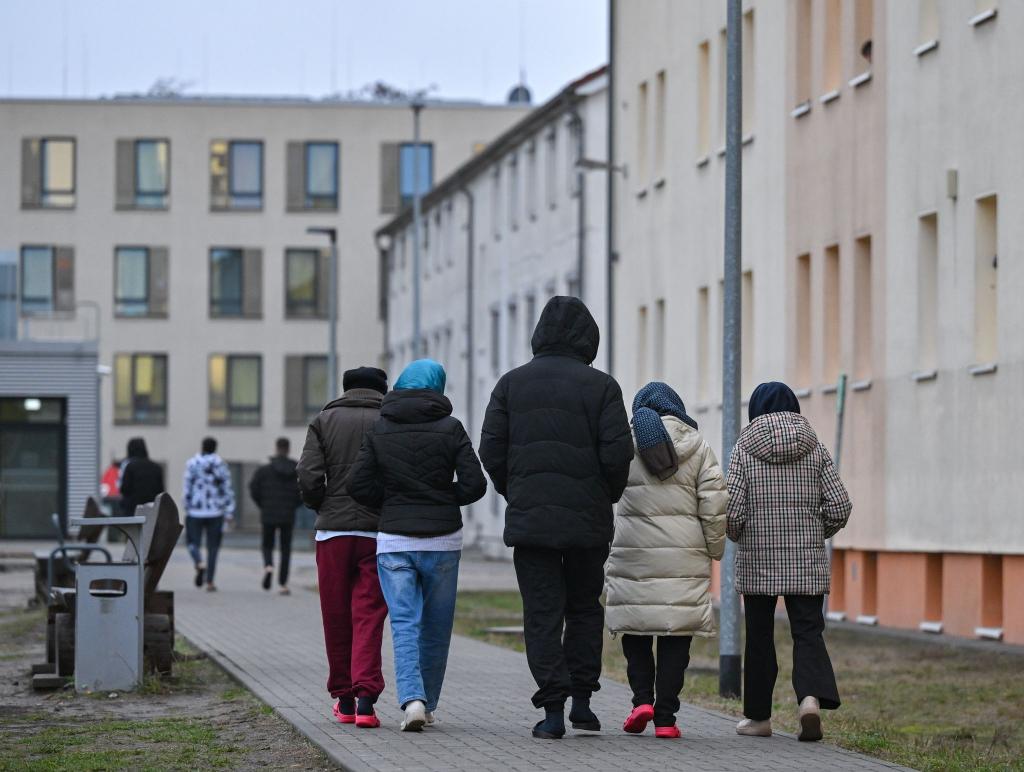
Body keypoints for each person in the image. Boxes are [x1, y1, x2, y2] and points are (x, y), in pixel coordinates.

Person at [479, 296, 633, 740]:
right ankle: (583, 701)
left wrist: (519, 492)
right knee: (584, 608)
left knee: (542, 613)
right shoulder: (602, 387)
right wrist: (604, 495)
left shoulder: (510, 385)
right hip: (587, 522)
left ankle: (552, 711)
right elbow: (618, 453)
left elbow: (491, 450)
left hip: (532, 524)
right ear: (589, 338)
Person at [349, 359, 486, 732]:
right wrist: (443, 496)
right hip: (443, 540)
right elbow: (475, 485)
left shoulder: (380, 428)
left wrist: (392, 502)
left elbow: (357, 485)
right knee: (436, 627)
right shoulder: (451, 428)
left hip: (394, 539)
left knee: (404, 624)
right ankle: (428, 701)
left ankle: (413, 700)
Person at [726, 381, 852, 742]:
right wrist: (817, 532)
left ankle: (758, 718)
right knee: (807, 632)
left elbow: (731, 511)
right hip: (806, 558)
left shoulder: (743, 448)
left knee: (760, 636)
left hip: (759, 560)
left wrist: (741, 536)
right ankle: (809, 699)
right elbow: (840, 505)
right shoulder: (815, 447)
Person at [605, 383, 727, 739]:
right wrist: (714, 550)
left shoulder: (626, 444)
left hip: (633, 553)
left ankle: (641, 700)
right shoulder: (698, 446)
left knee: (636, 626)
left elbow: (605, 490)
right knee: (677, 635)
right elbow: (715, 503)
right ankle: (666, 718)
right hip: (684, 556)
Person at [297, 366, 391, 729]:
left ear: (346, 388)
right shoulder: (389, 419)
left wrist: (321, 504)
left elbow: (307, 474)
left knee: (336, 616)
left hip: (333, 533)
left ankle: (345, 701)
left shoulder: (323, 420)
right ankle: (367, 701)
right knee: (368, 616)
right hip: (377, 533)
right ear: (383, 389)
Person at [250, 437, 302, 595]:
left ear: (276, 448)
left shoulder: (264, 470)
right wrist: (294, 505)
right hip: (288, 514)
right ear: (288, 449)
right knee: (285, 548)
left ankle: (268, 566)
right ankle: (283, 583)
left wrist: (263, 505)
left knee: (267, 544)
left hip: (268, 513)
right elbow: (304, 491)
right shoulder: (296, 469)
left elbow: (253, 489)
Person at [183, 437, 235, 592]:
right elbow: (227, 488)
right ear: (215, 448)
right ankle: (210, 582)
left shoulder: (192, 463)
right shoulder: (220, 464)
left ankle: (199, 562)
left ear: (202, 447)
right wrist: (229, 510)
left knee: (192, 542)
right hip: (216, 511)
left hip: (195, 510)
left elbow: (187, 486)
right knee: (213, 547)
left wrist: (186, 505)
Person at [119, 438, 164, 517]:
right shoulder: (156, 468)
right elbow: (161, 491)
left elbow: (124, 489)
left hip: (133, 511)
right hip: (151, 511)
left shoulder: (130, 467)